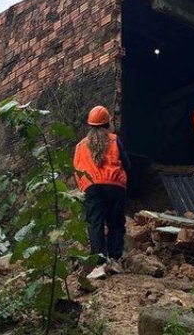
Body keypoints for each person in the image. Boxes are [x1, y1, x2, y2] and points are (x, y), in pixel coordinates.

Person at [73, 105, 130, 280]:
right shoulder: (114, 140)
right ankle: (113, 259)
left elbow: (76, 169)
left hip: (91, 188)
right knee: (116, 223)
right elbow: (127, 163)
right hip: (114, 186)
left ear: (90, 125)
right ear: (108, 123)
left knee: (95, 224)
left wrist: (84, 188)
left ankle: (98, 264)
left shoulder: (81, 145)